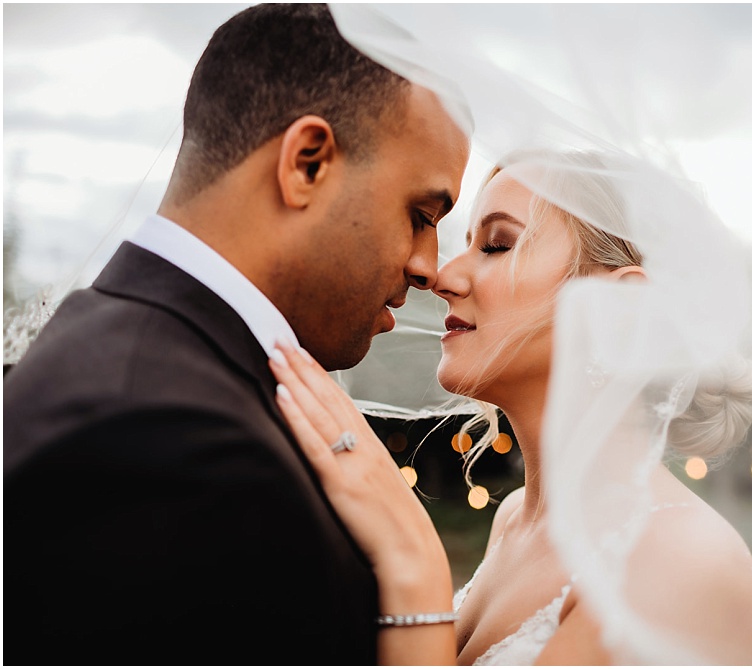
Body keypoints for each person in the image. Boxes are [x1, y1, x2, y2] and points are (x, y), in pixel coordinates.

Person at [3, 3, 469, 664]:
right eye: (421, 215)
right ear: (307, 164)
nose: (429, 266)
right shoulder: (172, 449)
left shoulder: (131, 353)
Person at [269, 150, 752, 665]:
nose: (444, 277)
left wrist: (412, 560)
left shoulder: (681, 559)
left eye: (497, 245)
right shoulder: (512, 520)